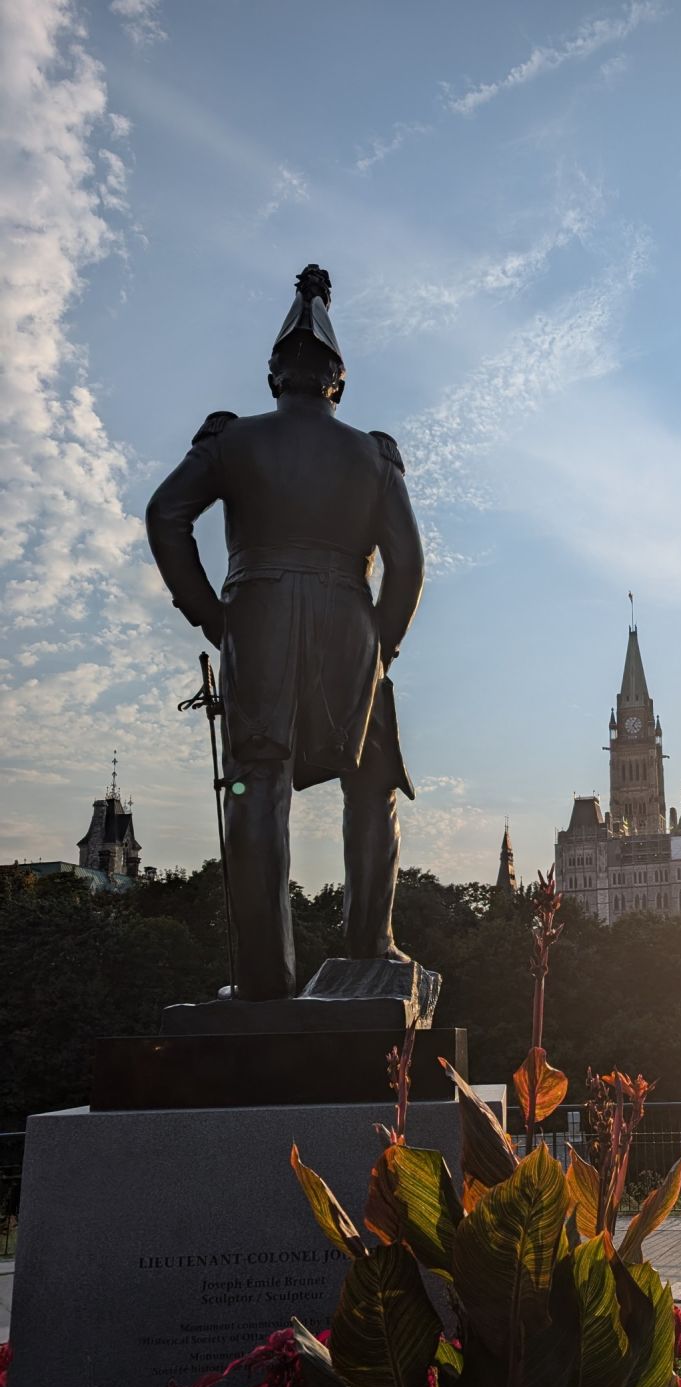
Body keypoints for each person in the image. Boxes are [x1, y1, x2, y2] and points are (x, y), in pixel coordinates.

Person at [145, 265, 424, 1000]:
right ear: (337, 381)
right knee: (372, 785)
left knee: (255, 784)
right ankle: (372, 945)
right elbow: (408, 564)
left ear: (275, 376)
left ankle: (265, 982)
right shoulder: (372, 454)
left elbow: (165, 516)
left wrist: (211, 613)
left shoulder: (233, 442)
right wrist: (381, 647)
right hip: (349, 623)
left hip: (258, 618)